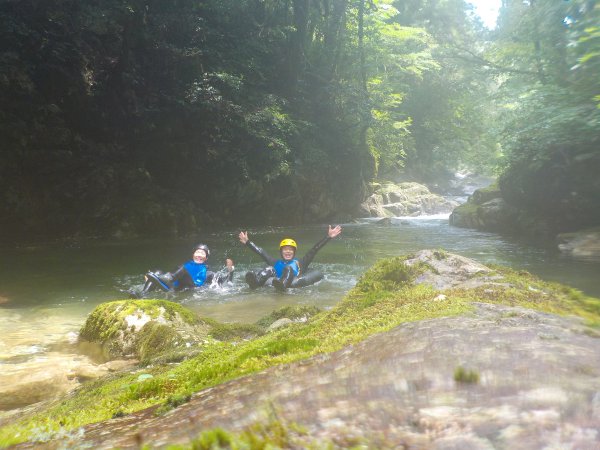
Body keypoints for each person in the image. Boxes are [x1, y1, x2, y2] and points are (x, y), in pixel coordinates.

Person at [238, 225, 342, 291]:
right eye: (285, 249)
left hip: (290, 281)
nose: (288, 251)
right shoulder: (275, 262)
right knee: (269, 269)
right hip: (275, 280)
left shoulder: (301, 262)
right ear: (281, 252)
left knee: (288, 269)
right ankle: (255, 282)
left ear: (294, 252)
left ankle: (282, 284)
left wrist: (328, 237)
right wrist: (248, 242)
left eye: (290, 250)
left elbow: (314, 250)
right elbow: (261, 252)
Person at [132, 244, 234, 298]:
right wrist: (151, 278)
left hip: (191, 288)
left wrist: (231, 271)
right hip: (176, 285)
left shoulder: (209, 273)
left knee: (183, 270)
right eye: (197, 252)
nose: (199, 255)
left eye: (202, 253)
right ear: (193, 255)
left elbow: (224, 281)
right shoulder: (184, 266)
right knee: (157, 272)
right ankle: (141, 295)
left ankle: (166, 279)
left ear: (206, 258)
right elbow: (176, 274)